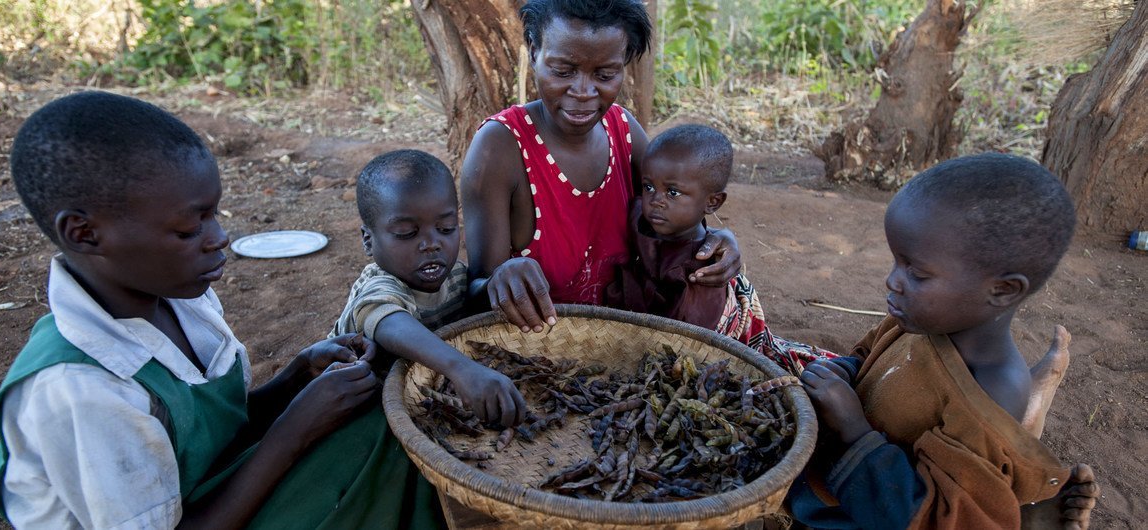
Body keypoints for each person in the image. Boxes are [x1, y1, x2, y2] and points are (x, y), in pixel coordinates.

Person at [0, 92, 442, 529]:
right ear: (85, 234)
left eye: (214, 214)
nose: (218, 237)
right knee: (386, 448)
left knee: (388, 421)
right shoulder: (82, 391)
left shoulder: (174, 293)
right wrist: (294, 431)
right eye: (189, 229)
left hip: (207, 485)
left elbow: (207, 432)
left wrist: (295, 379)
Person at [789, 153, 1098, 529]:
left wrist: (854, 428)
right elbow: (870, 359)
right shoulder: (919, 320)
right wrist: (842, 372)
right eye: (895, 263)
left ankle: (1017, 515)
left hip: (869, 510)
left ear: (1001, 290)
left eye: (916, 273)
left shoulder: (991, 390)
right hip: (836, 478)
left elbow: (931, 513)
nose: (892, 281)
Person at [460, 0, 744, 333]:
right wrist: (499, 280)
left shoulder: (622, 130)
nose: (583, 92)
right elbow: (476, 295)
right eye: (563, 71)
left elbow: (676, 215)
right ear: (535, 52)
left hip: (623, 341)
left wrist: (715, 242)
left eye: (605, 74)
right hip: (538, 346)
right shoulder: (500, 147)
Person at [604, 124, 837, 374]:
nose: (656, 200)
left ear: (713, 202)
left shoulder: (700, 273)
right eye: (648, 186)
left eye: (672, 192)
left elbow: (692, 346)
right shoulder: (643, 219)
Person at [329, 149, 526, 427]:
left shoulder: (453, 273)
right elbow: (388, 320)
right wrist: (463, 369)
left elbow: (469, 300)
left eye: (446, 228)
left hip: (423, 400)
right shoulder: (379, 285)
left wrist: (498, 282)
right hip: (358, 411)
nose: (431, 244)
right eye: (407, 234)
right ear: (368, 240)